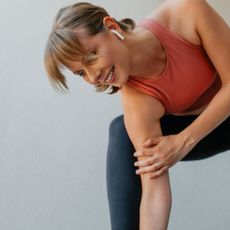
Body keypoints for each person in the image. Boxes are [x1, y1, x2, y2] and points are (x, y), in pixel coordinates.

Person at [44, 1, 230, 229]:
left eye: (91, 57)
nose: (93, 77)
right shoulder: (137, 102)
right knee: (122, 131)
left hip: (200, 131)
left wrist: (183, 140)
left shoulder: (185, 13)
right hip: (212, 134)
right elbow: (154, 193)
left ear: (111, 26)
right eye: (81, 73)